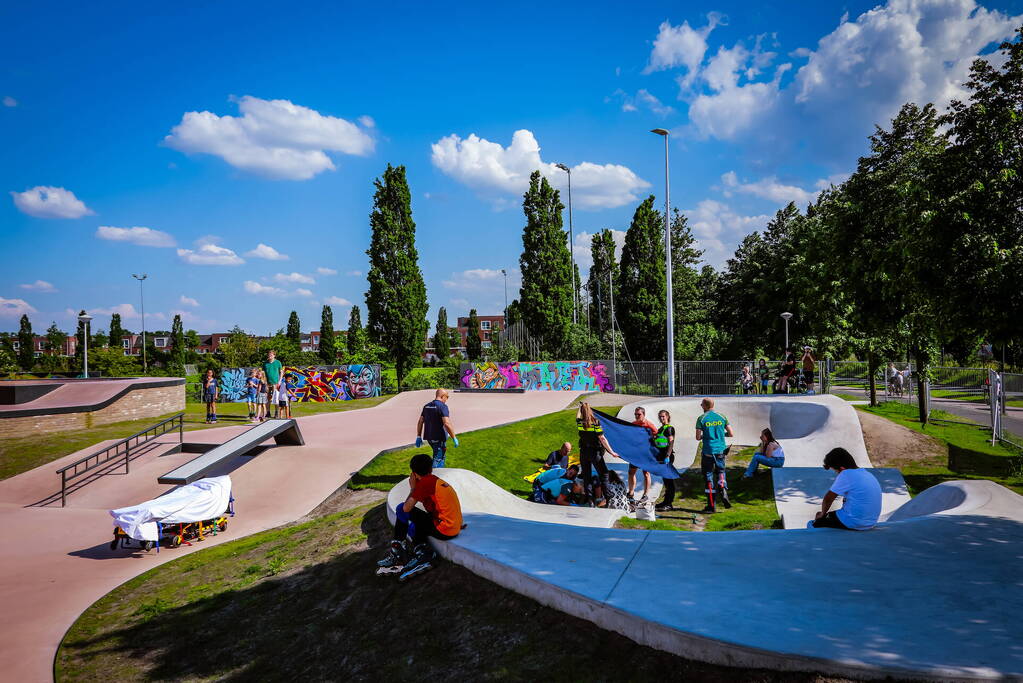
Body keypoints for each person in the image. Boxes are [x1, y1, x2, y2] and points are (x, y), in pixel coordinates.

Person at [377, 453, 463, 580]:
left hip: (444, 529)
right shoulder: (435, 480)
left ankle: (397, 554)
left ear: (414, 473)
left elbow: (406, 508)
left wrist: (413, 488)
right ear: (431, 468)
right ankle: (423, 553)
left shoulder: (425, 483)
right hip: (453, 527)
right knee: (413, 527)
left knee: (401, 508)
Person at [808, 448, 881, 530]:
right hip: (870, 523)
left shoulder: (846, 474)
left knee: (812, 524)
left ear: (842, 468)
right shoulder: (868, 474)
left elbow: (828, 499)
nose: (837, 474)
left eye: (836, 471)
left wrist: (822, 514)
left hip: (853, 522)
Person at [576, 402, 620, 507]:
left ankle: (590, 500)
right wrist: (611, 452)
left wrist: (579, 408)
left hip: (583, 452)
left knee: (586, 476)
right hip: (595, 452)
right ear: (590, 411)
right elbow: (602, 438)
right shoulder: (595, 422)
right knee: (604, 474)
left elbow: (577, 417)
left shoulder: (579, 422)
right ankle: (608, 498)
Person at [695, 398, 734, 512]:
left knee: (708, 475)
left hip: (708, 451)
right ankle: (722, 487)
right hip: (720, 450)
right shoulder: (722, 416)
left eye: (702, 404)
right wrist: (721, 434)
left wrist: (705, 436)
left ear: (705, 406)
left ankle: (711, 506)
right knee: (721, 471)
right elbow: (731, 433)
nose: (701, 406)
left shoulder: (701, 418)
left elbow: (698, 437)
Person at [416, 388, 459, 468]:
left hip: (429, 437)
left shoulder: (426, 406)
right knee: (438, 459)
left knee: (439, 455)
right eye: (447, 397)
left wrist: (418, 436)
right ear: (443, 396)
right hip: (439, 438)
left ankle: (437, 473)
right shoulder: (442, 406)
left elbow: (420, 421)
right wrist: (454, 437)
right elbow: (446, 423)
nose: (447, 399)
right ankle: (434, 474)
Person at [627, 407, 657, 503]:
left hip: (646, 453)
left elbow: (657, 437)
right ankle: (631, 493)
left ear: (644, 414)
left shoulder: (649, 425)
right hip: (636, 453)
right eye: (635, 414)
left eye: (639, 414)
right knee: (631, 472)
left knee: (646, 473)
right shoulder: (633, 424)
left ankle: (645, 495)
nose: (637, 416)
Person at [653, 409, 679, 512]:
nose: (661, 418)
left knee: (669, 481)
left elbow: (671, 443)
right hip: (661, 457)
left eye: (663, 416)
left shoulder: (669, 429)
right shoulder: (661, 429)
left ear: (667, 417)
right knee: (666, 481)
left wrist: (667, 455)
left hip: (667, 457)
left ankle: (669, 504)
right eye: (660, 416)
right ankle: (665, 502)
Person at [262, 349, 283, 414]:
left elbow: (281, 372)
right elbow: (263, 374)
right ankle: (268, 412)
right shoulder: (265, 363)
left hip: (275, 383)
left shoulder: (278, 362)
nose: (270, 356)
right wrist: (265, 383)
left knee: (275, 398)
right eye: (269, 355)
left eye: (271, 355)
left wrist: (279, 381)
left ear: (274, 355)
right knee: (267, 398)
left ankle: (276, 412)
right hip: (267, 384)